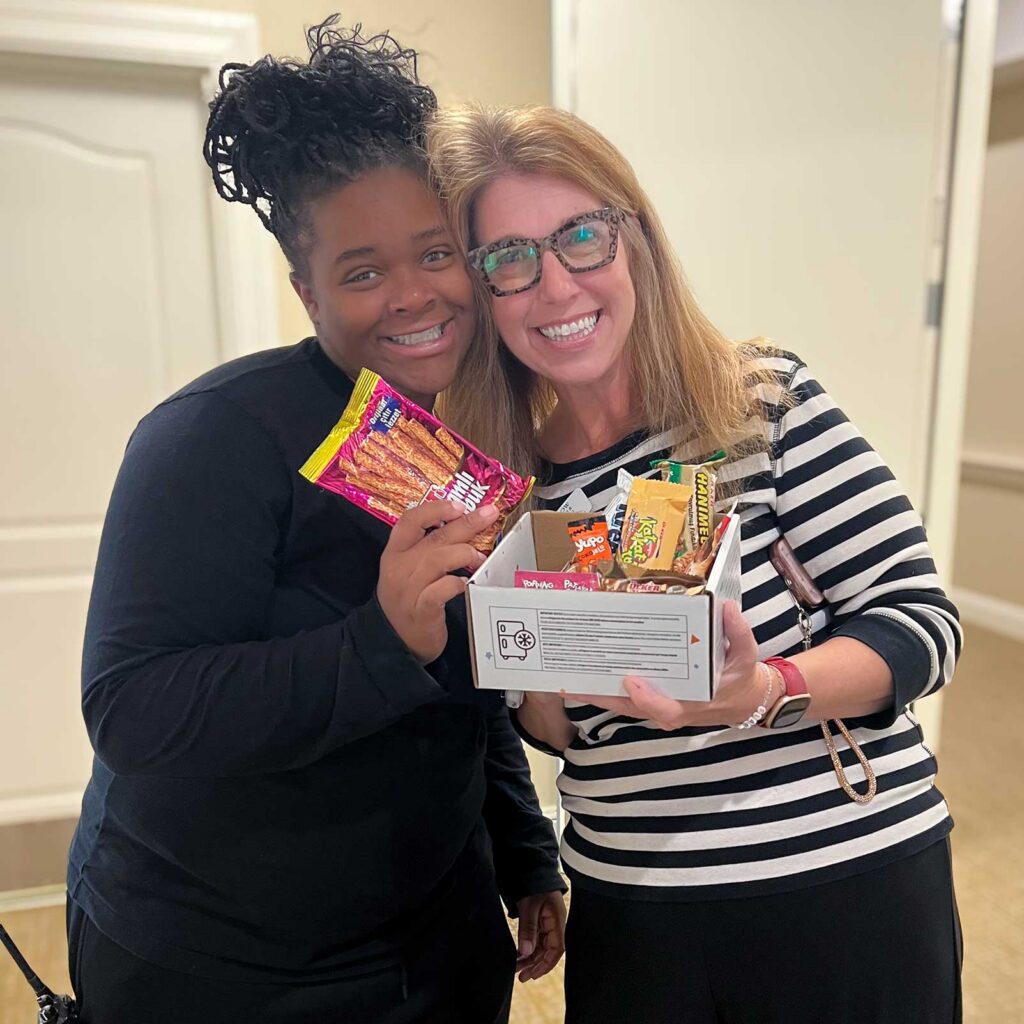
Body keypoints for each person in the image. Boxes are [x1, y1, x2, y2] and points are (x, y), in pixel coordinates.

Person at [67, 23, 565, 1024]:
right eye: (363, 270)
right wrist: (378, 639)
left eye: (435, 254)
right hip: (218, 962)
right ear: (307, 291)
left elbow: (474, 669)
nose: (414, 293)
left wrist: (521, 849)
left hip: (433, 941)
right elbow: (131, 708)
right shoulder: (210, 438)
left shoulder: (486, 430)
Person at [428, 104, 964, 1024]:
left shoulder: (758, 400)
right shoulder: (502, 486)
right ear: (483, 291)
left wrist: (761, 687)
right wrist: (536, 653)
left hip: (843, 882)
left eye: (582, 237)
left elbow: (922, 628)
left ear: (634, 241)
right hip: (638, 916)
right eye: (510, 259)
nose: (555, 286)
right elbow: (556, 732)